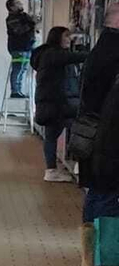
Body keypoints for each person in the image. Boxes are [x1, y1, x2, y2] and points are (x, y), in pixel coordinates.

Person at [77, 1, 119, 266]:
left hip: (99, 152)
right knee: (106, 221)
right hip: (108, 158)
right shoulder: (112, 53)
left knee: (98, 214)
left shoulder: (99, 51)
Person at [31, 26, 85, 181]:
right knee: (78, 129)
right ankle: (76, 164)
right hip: (58, 103)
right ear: (57, 38)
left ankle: (52, 170)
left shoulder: (45, 55)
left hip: (50, 102)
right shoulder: (54, 55)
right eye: (66, 36)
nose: (69, 39)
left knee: (52, 135)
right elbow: (74, 58)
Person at [6, 0, 36, 98]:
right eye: (17, 3)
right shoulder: (12, 19)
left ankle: (18, 90)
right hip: (18, 47)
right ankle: (15, 90)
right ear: (12, 7)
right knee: (18, 68)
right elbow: (19, 31)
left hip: (26, 46)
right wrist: (32, 24)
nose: (21, 4)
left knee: (23, 69)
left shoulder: (23, 16)